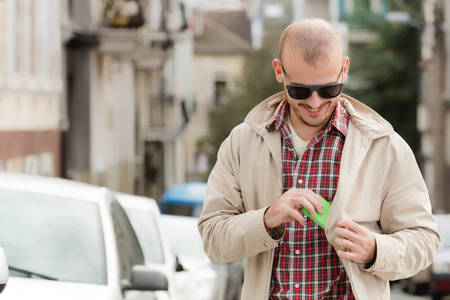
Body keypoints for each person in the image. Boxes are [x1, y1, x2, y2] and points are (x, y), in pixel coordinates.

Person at [197, 18, 441, 300]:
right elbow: (212, 238)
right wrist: (265, 220)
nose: (315, 103)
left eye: (328, 90)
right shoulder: (241, 143)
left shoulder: (385, 146)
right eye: (300, 91)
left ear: (344, 69)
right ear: (280, 72)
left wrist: (375, 250)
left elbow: (424, 240)